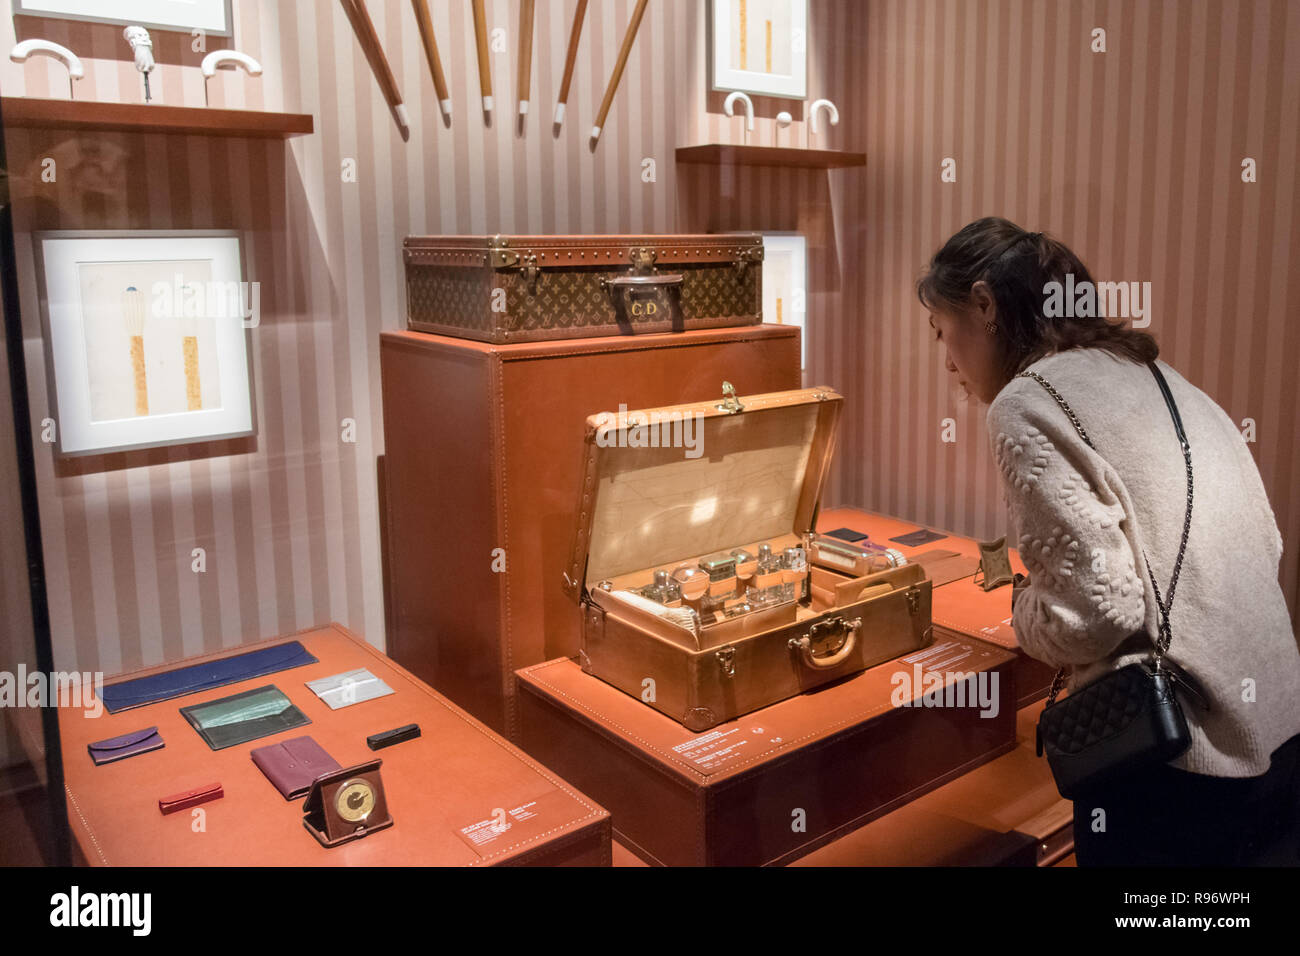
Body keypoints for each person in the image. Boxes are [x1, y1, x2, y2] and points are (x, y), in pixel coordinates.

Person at [917, 216, 1300, 866]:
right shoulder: (1163, 379)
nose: (948, 360)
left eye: (941, 331)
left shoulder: (1025, 402)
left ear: (983, 303)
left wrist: (1021, 609)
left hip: (1178, 762)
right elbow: (1266, 542)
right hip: (1279, 728)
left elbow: (1095, 611)